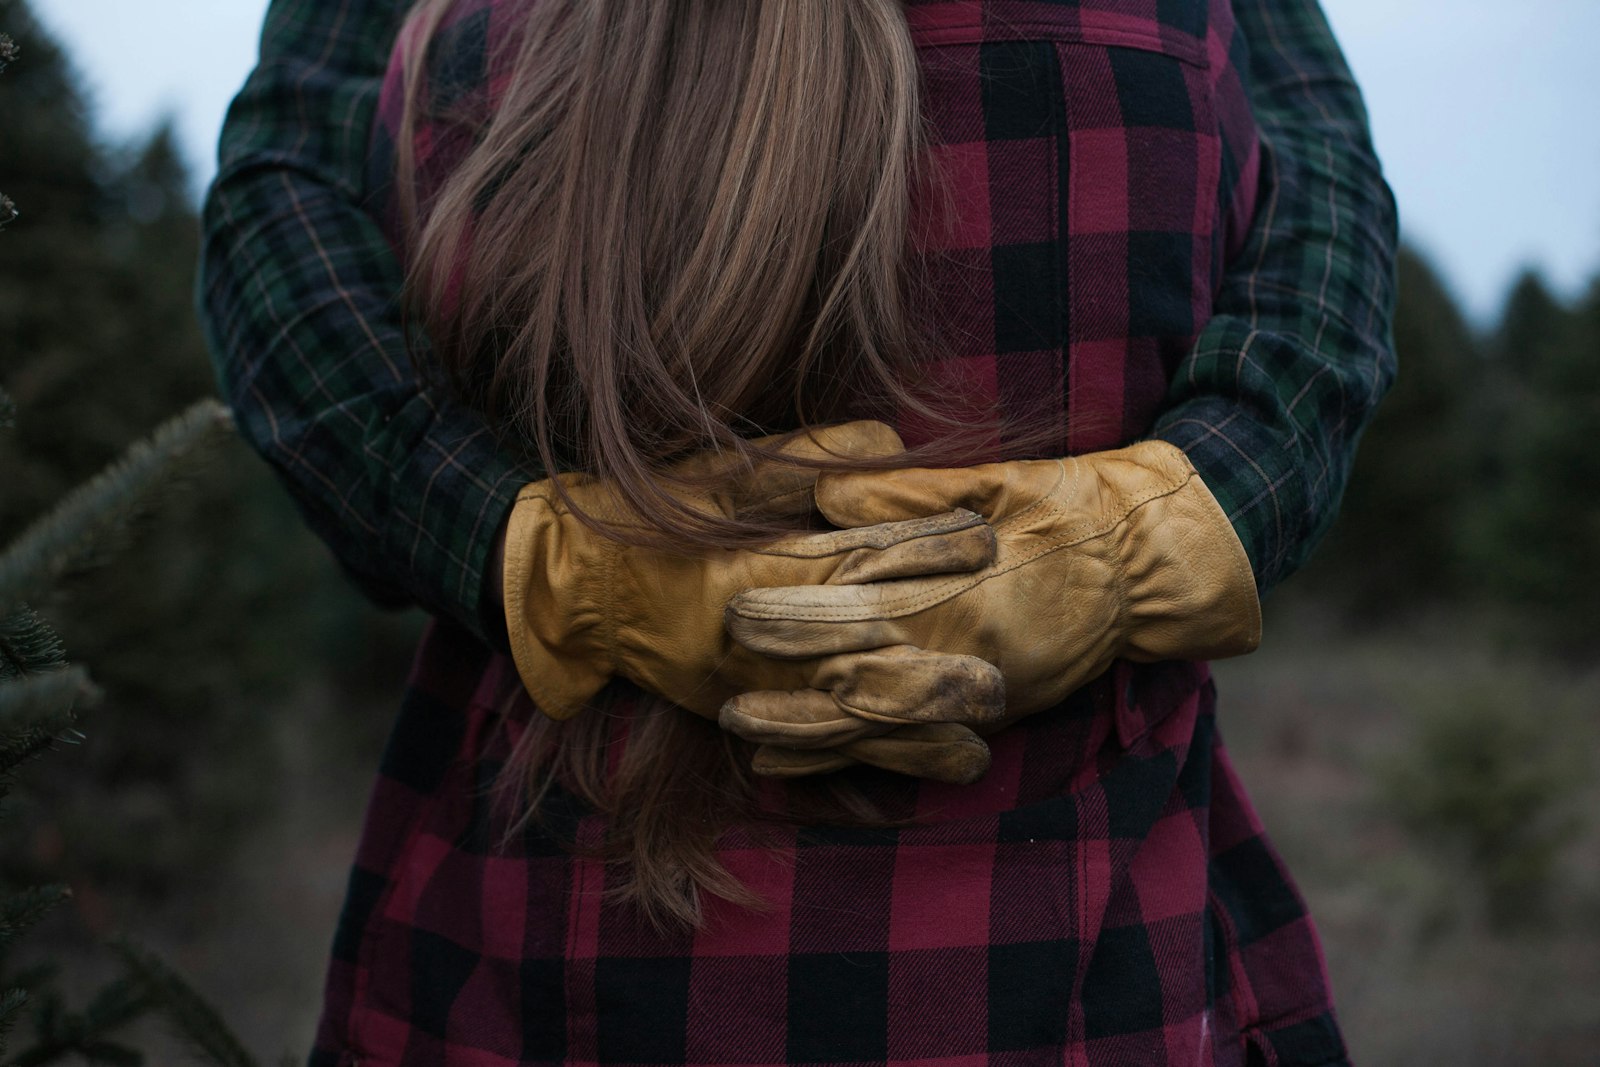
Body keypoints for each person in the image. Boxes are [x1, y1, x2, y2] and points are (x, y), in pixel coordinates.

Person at [199, 0, 1397, 1063]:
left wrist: (536, 554)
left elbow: (283, 205)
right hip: (1097, 968)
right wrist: (1177, 519)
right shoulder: (1166, 43)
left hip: (532, 963)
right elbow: (1323, 189)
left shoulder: (461, 58)